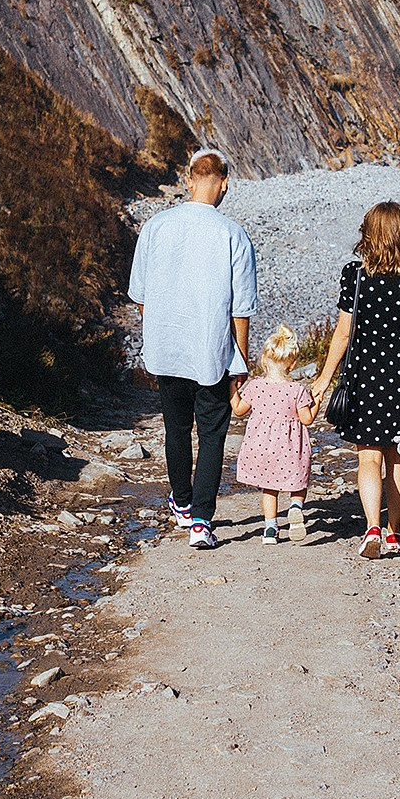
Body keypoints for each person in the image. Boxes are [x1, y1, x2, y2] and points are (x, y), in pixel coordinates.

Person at [129, 149, 256, 549]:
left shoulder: (155, 227)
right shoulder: (232, 234)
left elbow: (142, 299)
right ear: (224, 184)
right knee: (213, 434)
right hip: (212, 351)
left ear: (188, 180)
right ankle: (202, 521)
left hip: (168, 348)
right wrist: (242, 362)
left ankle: (181, 503)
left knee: (176, 428)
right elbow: (241, 310)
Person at [309, 201, 400, 559]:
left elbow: (342, 334)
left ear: (369, 236)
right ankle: (395, 532)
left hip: (364, 378)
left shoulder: (354, 276)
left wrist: (323, 379)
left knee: (368, 457)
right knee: (397, 458)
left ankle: (371, 528)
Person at [231, 325, 317, 545]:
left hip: (262, 448)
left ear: (264, 359)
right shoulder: (297, 390)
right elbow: (306, 419)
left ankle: (270, 530)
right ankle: (296, 507)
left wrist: (231, 390)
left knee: (270, 487)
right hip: (290, 449)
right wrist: (317, 402)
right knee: (298, 483)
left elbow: (239, 410)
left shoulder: (256, 386)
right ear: (292, 364)